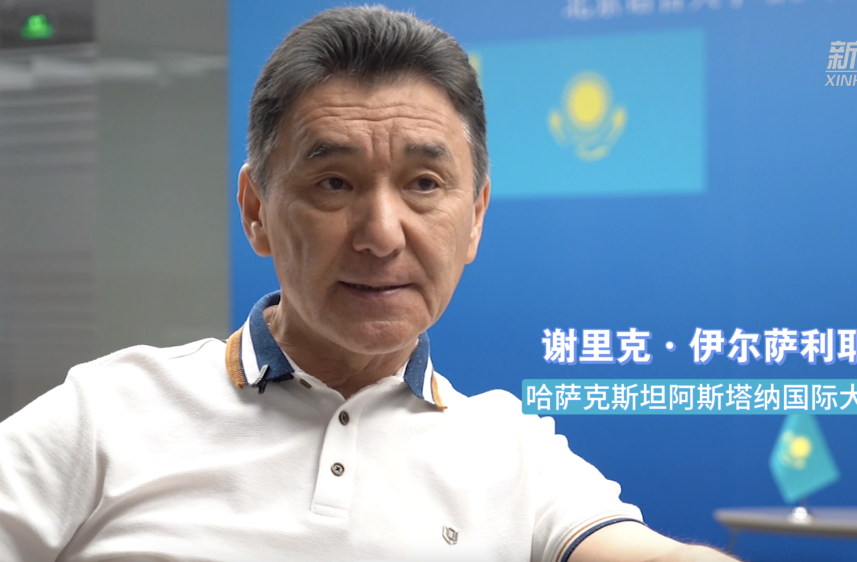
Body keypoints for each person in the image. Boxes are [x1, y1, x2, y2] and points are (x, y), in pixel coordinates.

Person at [0, 6, 738, 562]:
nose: (382, 234)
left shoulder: (515, 454)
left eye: (424, 183)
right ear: (256, 211)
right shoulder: (104, 417)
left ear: (475, 217)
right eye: (334, 182)